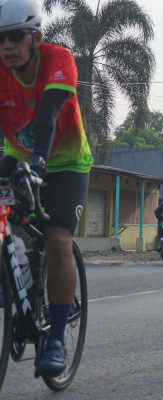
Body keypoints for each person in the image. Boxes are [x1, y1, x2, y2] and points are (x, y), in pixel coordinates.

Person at [0, 0, 94, 376]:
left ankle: (55, 339)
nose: (7, 46)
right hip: (18, 158)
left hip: (66, 163)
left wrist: (39, 160)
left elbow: (48, 115)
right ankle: (17, 280)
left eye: (15, 37)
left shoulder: (58, 59)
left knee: (57, 239)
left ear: (35, 38)